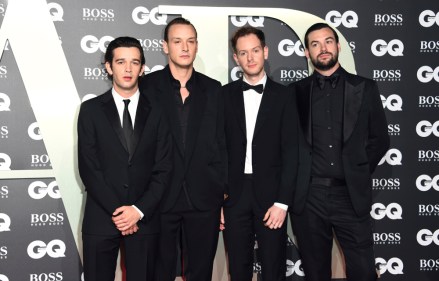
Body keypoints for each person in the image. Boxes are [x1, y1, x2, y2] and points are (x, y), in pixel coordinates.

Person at [289, 23, 390, 281]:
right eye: (315, 44)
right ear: (306, 52)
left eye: (328, 41)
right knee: (315, 272)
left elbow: (379, 140)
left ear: (338, 45)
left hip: (349, 195)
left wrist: (356, 171)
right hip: (309, 197)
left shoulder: (365, 87)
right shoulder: (294, 93)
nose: (323, 48)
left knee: (363, 271)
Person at [77, 36, 172, 281]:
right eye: (120, 62)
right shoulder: (90, 110)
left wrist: (138, 211)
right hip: (101, 217)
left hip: (145, 218)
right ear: (109, 67)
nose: (128, 69)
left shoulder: (159, 111)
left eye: (134, 62)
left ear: (142, 68)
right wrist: (120, 213)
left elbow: (164, 168)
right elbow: (89, 169)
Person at [139, 17, 226, 281]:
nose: (185, 47)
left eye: (190, 41)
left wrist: (223, 195)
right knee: (159, 272)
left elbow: (223, 144)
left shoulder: (213, 89)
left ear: (197, 46)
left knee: (201, 272)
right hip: (160, 197)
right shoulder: (146, 87)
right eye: (178, 41)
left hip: (204, 198)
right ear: (165, 46)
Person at [222, 26, 298, 281]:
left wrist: (282, 202)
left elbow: (291, 152)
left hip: (272, 197)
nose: (250, 58)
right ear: (236, 58)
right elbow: (216, 151)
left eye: (255, 50)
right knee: (238, 267)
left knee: (274, 265)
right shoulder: (223, 95)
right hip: (233, 195)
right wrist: (218, 199)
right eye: (243, 53)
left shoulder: (285, 96)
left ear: (265, 51)